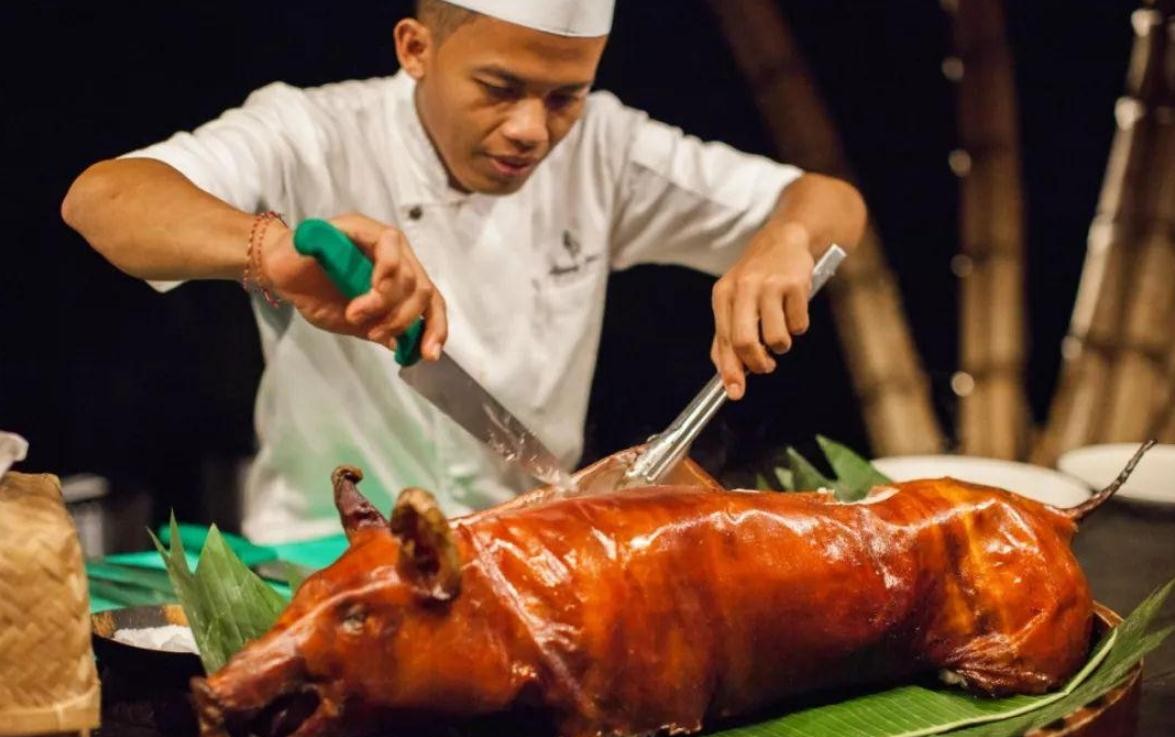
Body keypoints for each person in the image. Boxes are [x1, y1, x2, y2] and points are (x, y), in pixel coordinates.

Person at [61, 0, 866, 543]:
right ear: (415, 48)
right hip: (322, 554)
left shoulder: (605, 147)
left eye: (565, 97)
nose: (530, 130)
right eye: (498, 88)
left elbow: (832, 202)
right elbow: (104, 198)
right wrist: (267, 249)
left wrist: (785, 237)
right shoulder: (311, 131)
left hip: (529, 548)